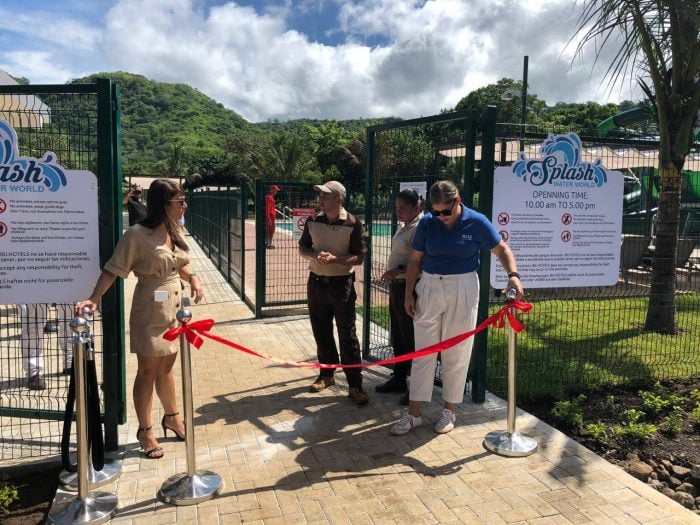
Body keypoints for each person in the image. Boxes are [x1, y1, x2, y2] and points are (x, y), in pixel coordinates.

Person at [76, 179, 204, 458]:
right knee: (147, 369)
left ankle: (172, 417)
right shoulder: (135, 235)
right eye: (179, 201)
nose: (184, 205)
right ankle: (145, 430)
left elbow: (180, 263)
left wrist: (193, 277)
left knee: (167, 367)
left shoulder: (175, 228)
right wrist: (94, 298)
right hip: (148, 308)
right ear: (163, 204)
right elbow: (113, 268)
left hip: (174, 308)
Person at [391, 180, 524, 435]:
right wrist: (409, 293)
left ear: (458, 201)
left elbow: (502, 249)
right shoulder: (428, 223)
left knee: (456, 350)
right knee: (424, 352)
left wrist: (513, 275)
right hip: (430, 286)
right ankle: (413, 414)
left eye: (446, 211)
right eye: (436, 211)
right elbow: (415, 260)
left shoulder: (476, 222)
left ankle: (449, 411)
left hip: (462, 286)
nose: (441, 217)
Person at [298, 180, 369, 405]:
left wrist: (336, 259)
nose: (321, 198)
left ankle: (355, 385)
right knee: (321, 330)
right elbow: (303, 247)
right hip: (316, 282)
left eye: (326, 195)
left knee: (347, 334)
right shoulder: (313, 220)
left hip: (342, 285)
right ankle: (326, 375)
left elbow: (359, 256)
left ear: (339, 198)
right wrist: (314, 255)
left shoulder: (353, 223)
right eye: (320, 194)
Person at [376, 189, 423, 405]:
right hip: (397, 286)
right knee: (398, 334)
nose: (398, 212)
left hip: (410, 286)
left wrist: (397, 270)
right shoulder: (404, 227)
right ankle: (399, 377)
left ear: (417, 207)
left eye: (403, 208)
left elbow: (421, 260)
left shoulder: (420, 228)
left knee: (411, 336)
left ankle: (417, 386)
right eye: (396, 207)